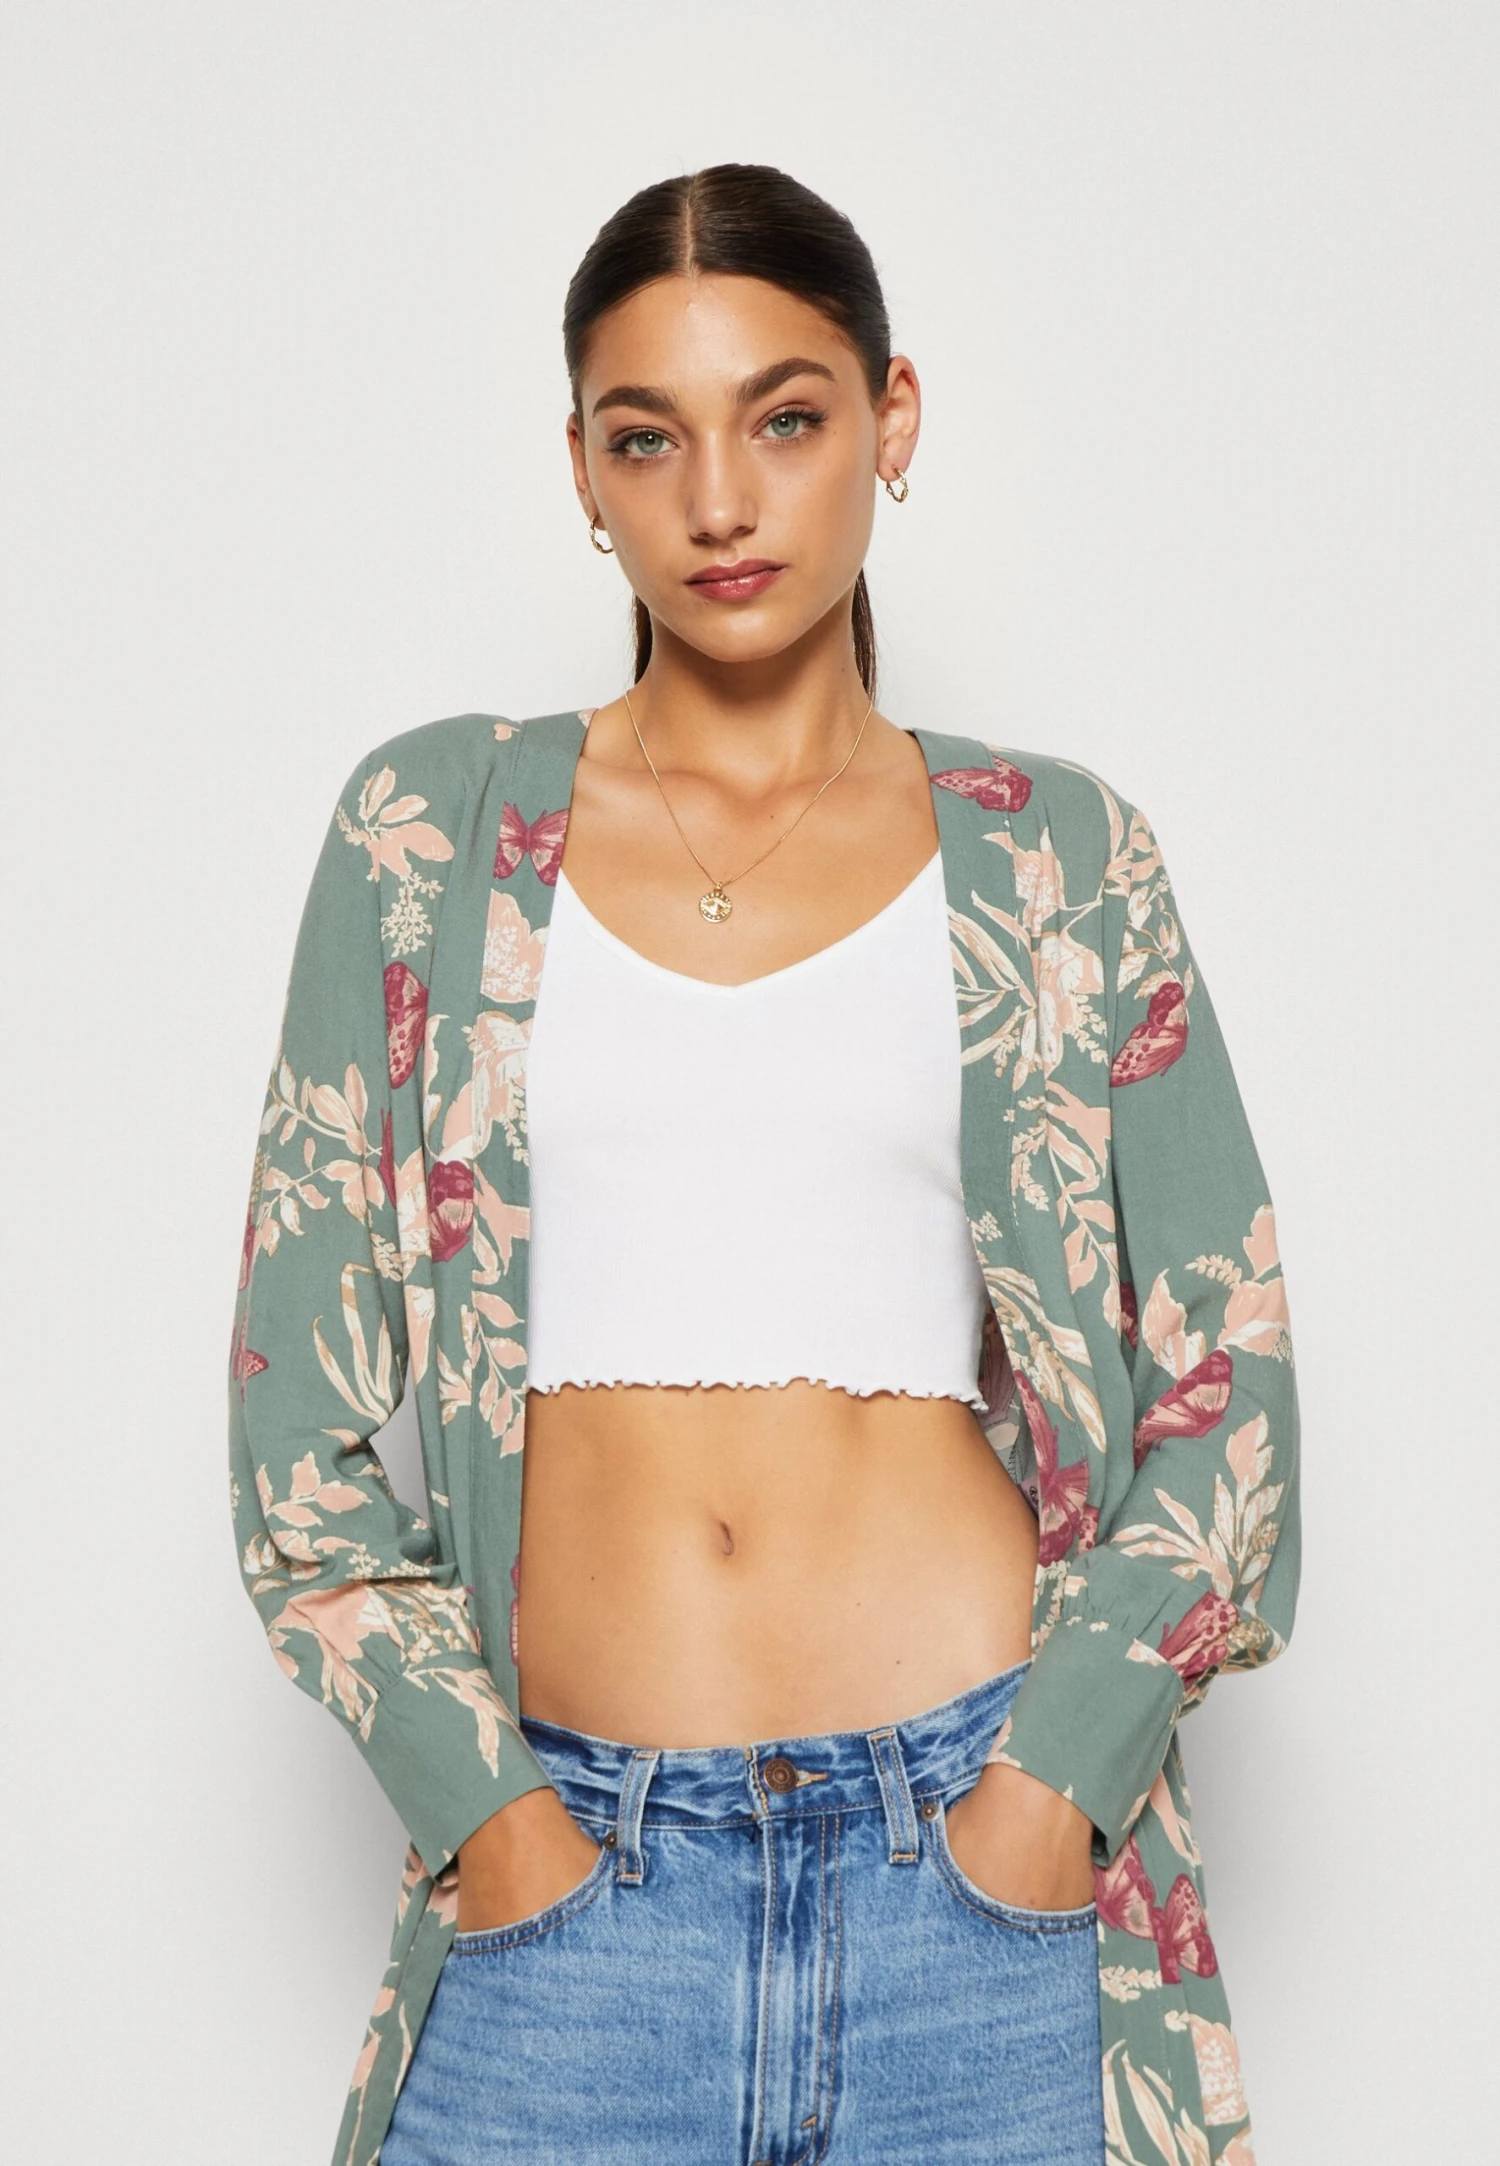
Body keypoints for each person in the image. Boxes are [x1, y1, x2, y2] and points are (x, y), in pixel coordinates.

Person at [229, 163, 1299, 2166]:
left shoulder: (1060, 855)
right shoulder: (426, 836)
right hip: (566, 1894)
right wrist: (493, 1819)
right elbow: (299, 1445)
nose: (720, 500)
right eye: (650, 438)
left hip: (974, 1881)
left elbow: (1224, 1387)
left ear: (893, 419)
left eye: (785, 418)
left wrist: (1046, 1793)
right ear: (583, 469)